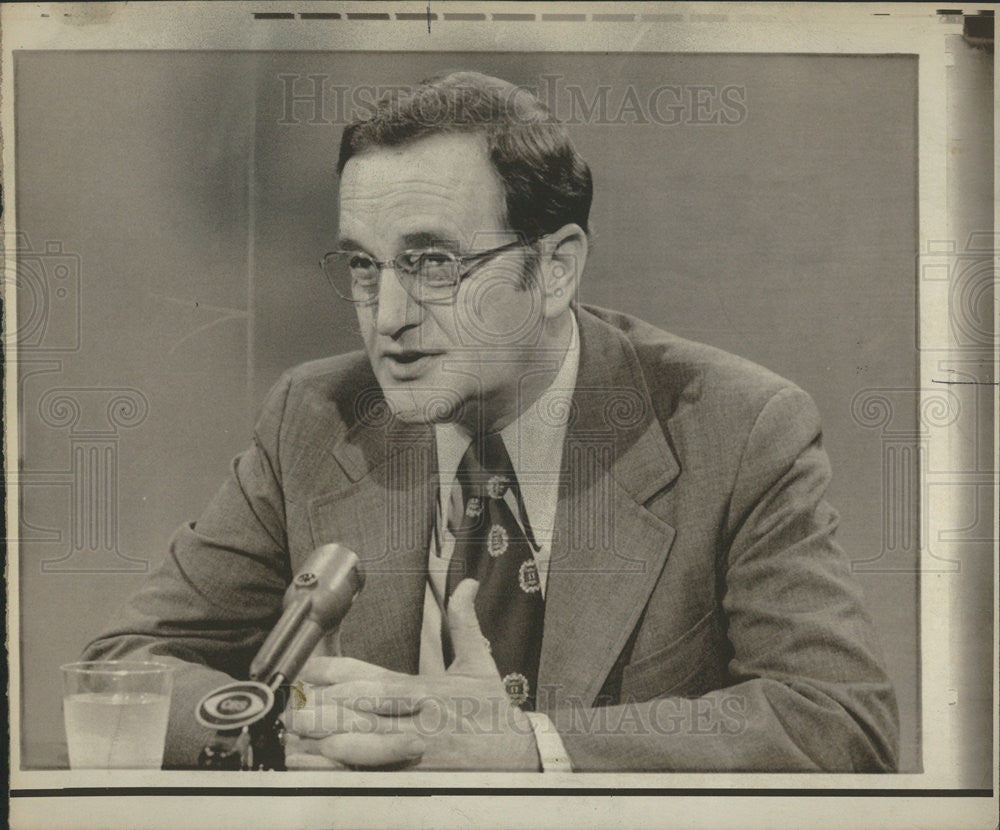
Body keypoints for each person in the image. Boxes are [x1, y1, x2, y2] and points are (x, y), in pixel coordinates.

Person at [83, 71, 898, 772]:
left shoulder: (739, 427)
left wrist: (528, 747)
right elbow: (122, 672)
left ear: (554, 270)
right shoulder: (316, 416)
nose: (388, 317)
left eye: (434, 263)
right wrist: (286, 725)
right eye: (365, 266)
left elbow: (837, 720)